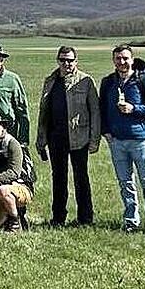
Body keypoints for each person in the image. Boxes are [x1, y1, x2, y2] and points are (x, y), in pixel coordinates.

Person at [99, 45, 145, 238]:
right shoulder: (108, 82)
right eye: (118, 58)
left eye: (125, 58)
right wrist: (106, 132)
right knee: (125, 183)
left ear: (132, 59)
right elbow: (102, 109)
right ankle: (131, 221)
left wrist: (134, 108)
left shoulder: (143, 80)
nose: (122, 62)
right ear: (113, 60)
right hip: (117, 142)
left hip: (141, 140)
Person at [36, 46, 101, 227]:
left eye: (70, 60)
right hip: (55, 138)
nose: (67, 64)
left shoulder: (86, 81)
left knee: (81, 178)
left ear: (76, 61)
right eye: (63, 60)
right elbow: (43, 112)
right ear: (57, 61)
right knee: (58, 179)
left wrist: (94, 140)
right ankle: (58, 218)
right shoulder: (50, 81)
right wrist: (41, 139)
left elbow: (95, 112)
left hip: (79, 138)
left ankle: (85, 219)